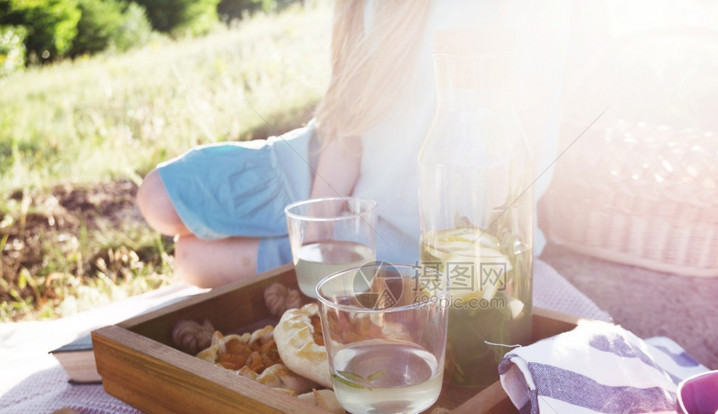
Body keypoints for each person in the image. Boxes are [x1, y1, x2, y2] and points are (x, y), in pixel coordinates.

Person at [137, 0, 585, 287]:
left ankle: (331, 264)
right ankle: (311, 254)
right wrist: (315, 233)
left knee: (192, 259)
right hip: (326, 166)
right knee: (159, 199)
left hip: (408, 226)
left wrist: (472, 259)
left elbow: (521, 154)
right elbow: (349, 124)